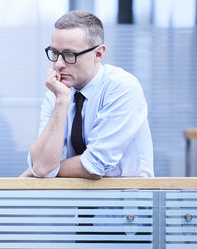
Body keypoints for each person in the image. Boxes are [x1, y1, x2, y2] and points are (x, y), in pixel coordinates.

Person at [21, 10, 153, 178]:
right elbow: (41, 165)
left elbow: (95, 165)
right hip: (77, 202)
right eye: (55, 53)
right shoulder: (56, 94)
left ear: (98, 54)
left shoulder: (122, 87)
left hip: (125, 201)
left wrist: (44, 170)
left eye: (69, 54)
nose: (58, 64)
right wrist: (62, 101)